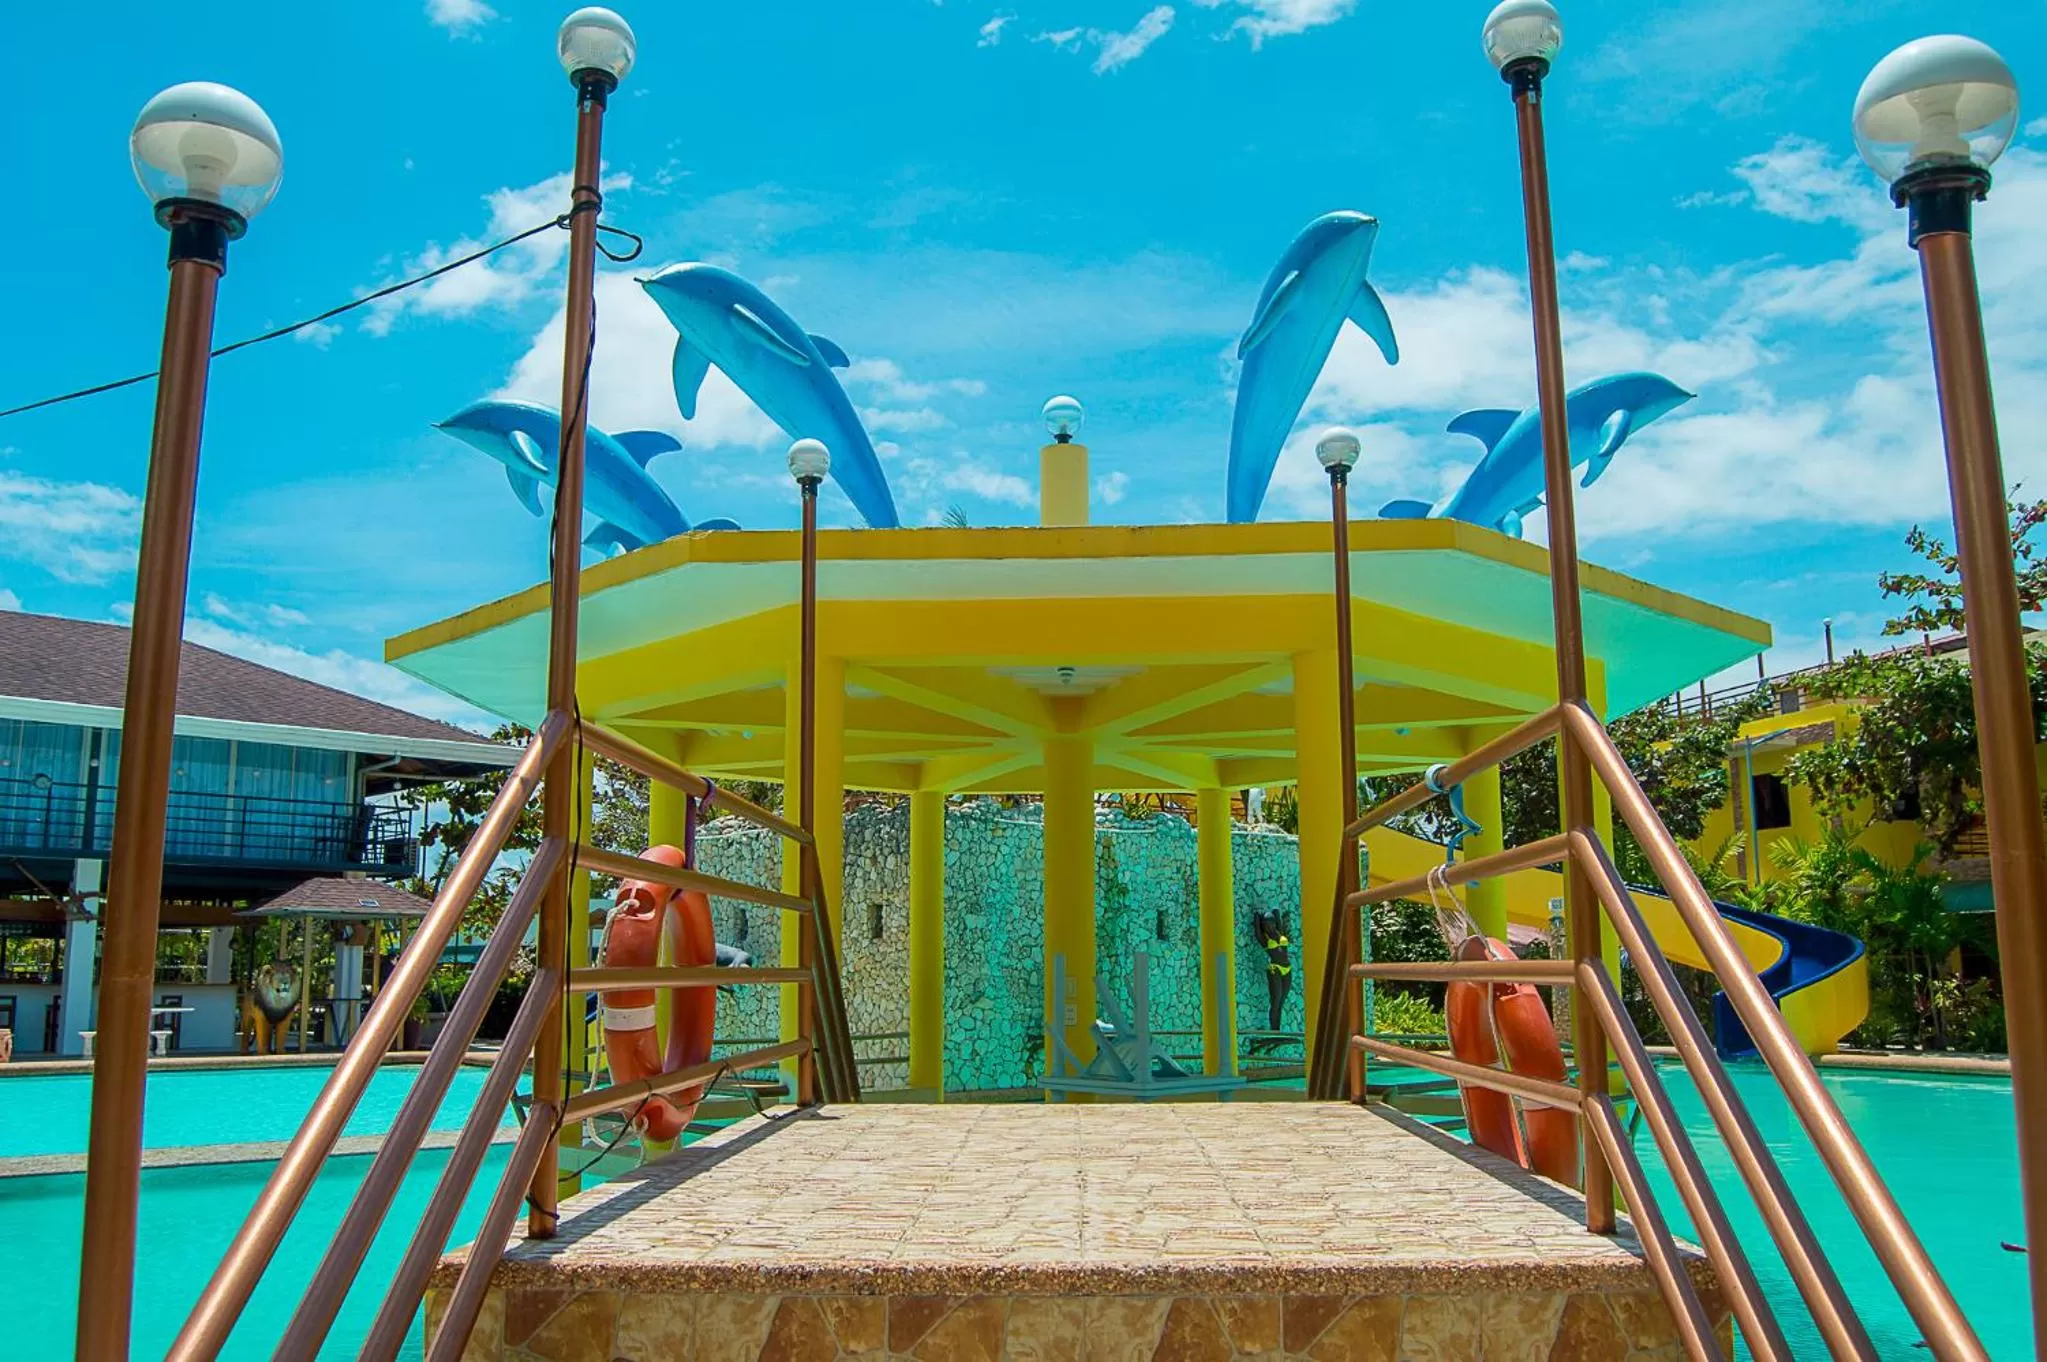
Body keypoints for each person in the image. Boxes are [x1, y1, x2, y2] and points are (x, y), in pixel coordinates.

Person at [1254, 910, 1293, 1034]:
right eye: (1265, 925)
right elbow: (1258, 934)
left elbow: (1277, 913)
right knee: (1276, 999)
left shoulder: (1279, 933)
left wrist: (1276, 914)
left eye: (1269, 923)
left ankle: (1277, 1029)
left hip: (1287, 969)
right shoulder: (1266, 940)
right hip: (1274, 969)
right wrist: (1257, 918)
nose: (1268, 926)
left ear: (1274, 923)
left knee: (1281, 1000)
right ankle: (1273, 1031)